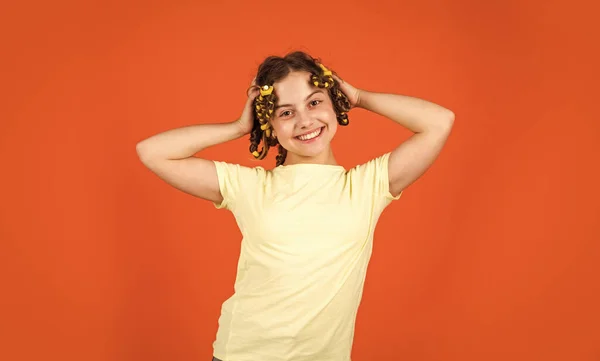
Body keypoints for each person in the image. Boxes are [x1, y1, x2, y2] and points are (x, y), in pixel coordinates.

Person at [136, 51, 454, 361]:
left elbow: (439, 121)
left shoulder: (367, 186)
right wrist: (237, 127)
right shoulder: (249, 186)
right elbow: (153, 151)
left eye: (314, 102)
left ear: (334, 104)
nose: (304, 120)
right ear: (270, 125)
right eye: (286, 112)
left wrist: (357, 96)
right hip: (244, 354)